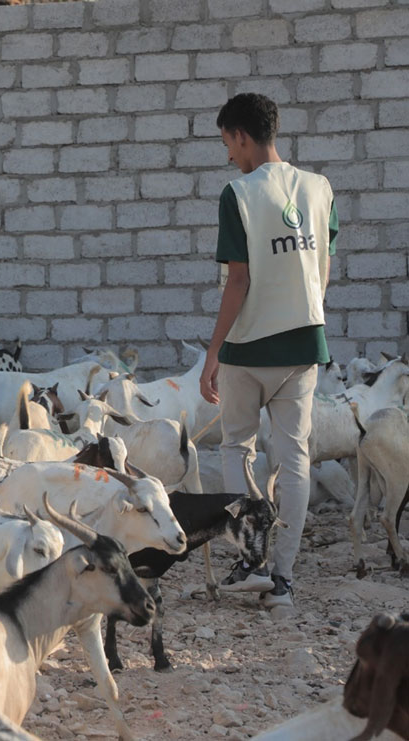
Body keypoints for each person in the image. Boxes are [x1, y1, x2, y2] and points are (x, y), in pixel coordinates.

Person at [199, 93, 338, 615]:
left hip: (248, 346)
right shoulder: (319, 188)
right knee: (294, 458)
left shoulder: (238, 193)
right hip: (304, 344)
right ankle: (283, 581)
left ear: (241, 135)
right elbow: (323, 266)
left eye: (227, 144)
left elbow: (238, 280)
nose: (228, 155)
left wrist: (213, 351)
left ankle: (251, 562)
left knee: (237, 447)